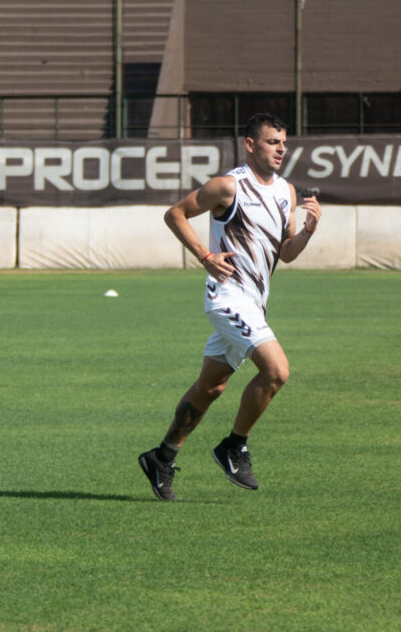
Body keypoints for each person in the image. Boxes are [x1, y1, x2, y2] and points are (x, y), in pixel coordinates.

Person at [138, 112, 321, 501]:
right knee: (276, 371)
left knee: (212, 386)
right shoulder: (227, 187)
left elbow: (285, 254)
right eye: (273, 142)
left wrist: (307, 231)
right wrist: (205, 255)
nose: (281, 149)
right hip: (226, 298)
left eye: (284, 143)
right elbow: (175, 214)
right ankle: (234, 446)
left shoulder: (286, 192)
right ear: (250, 144)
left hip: (255, 303)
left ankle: (162, 456)